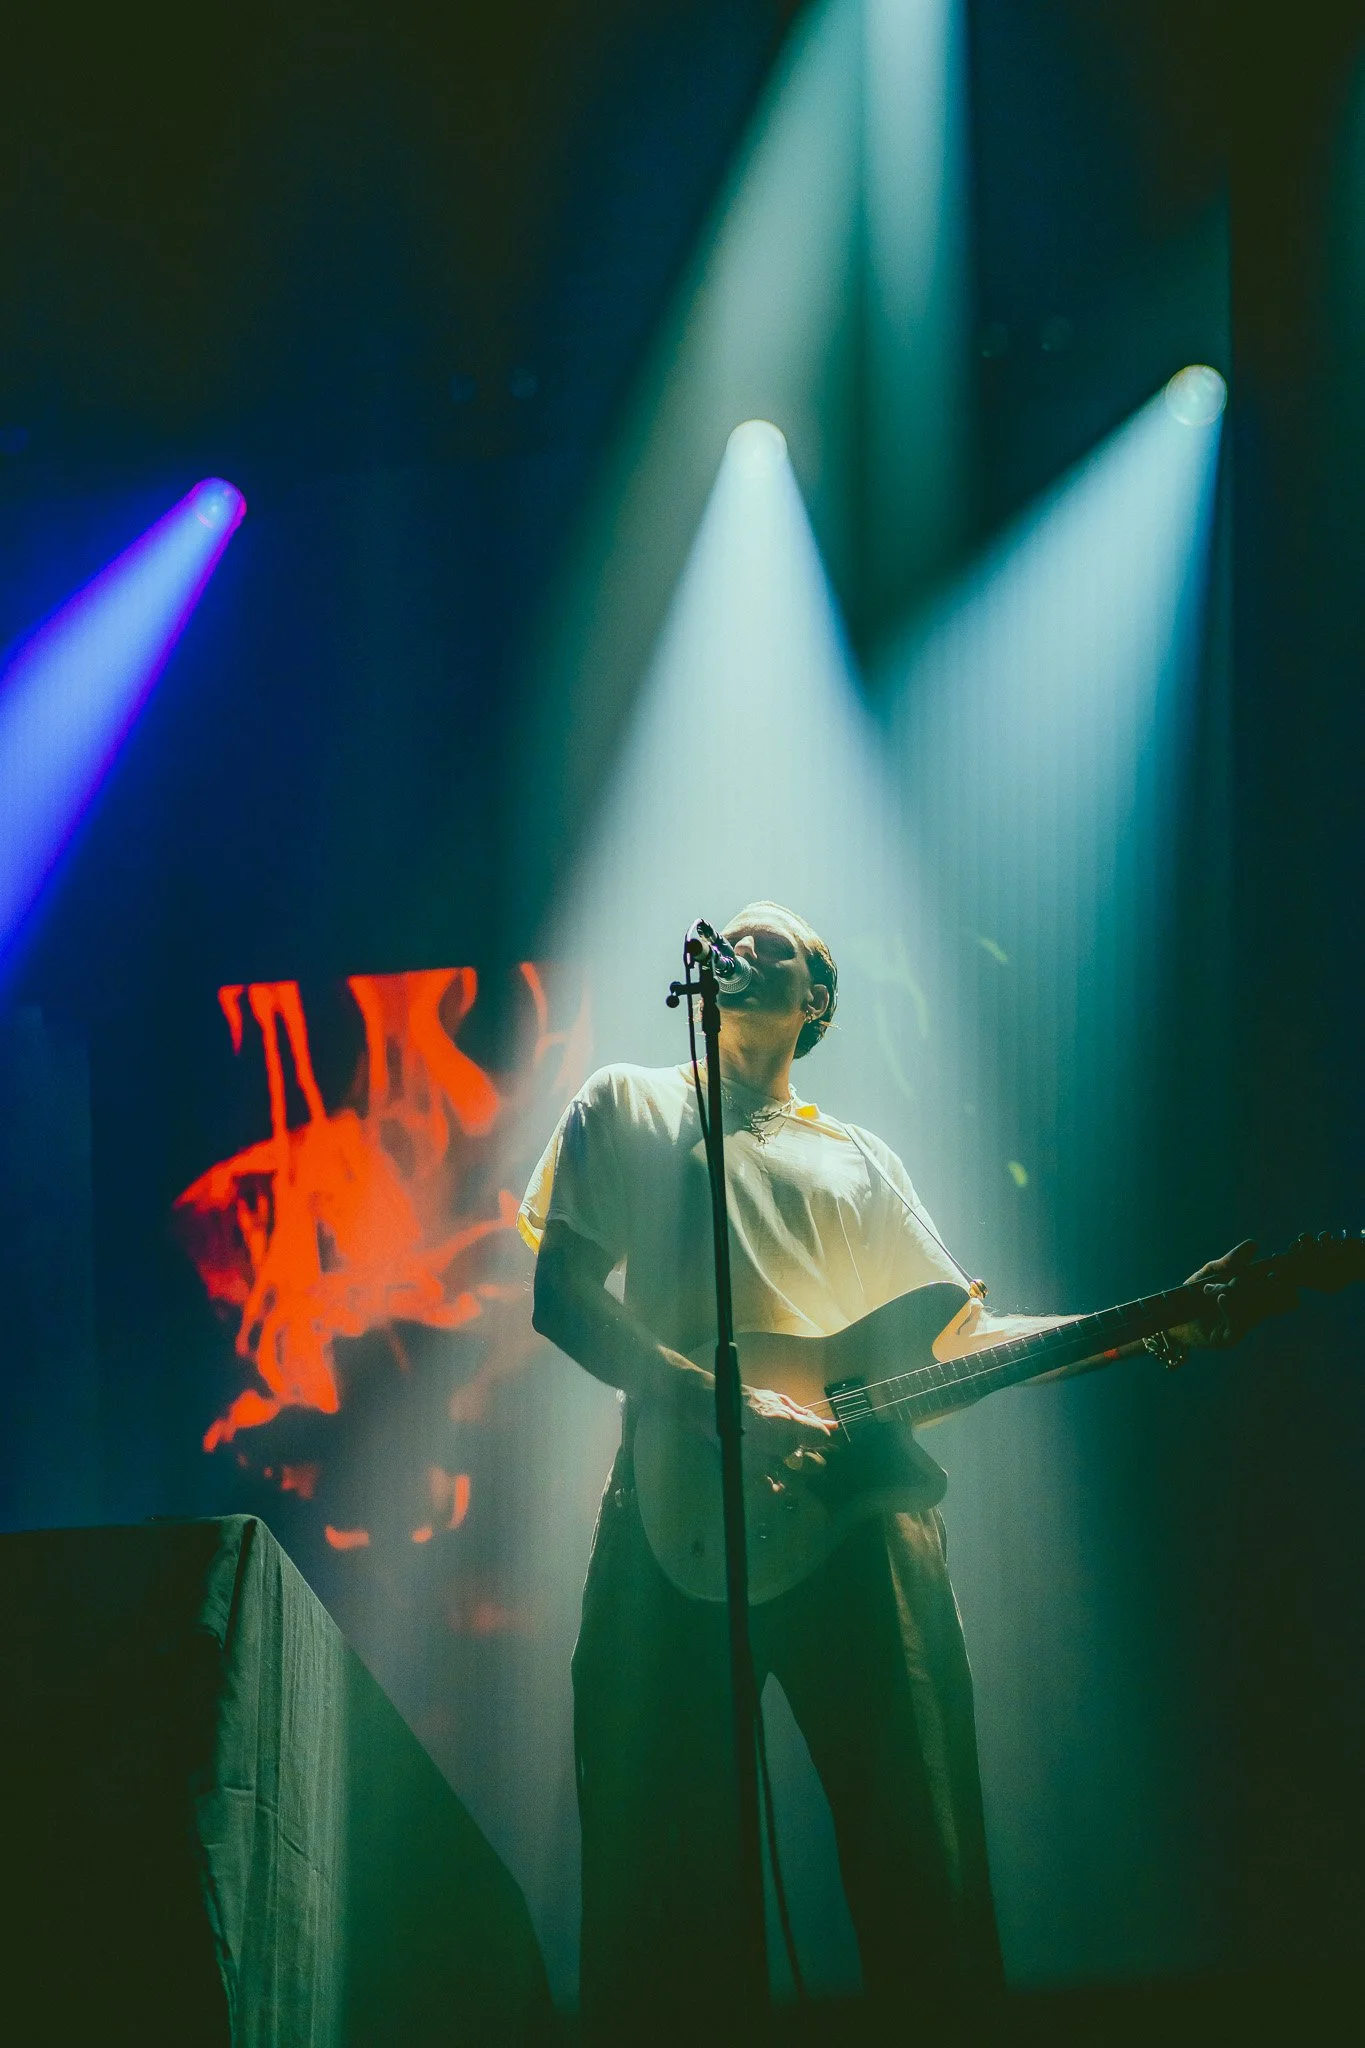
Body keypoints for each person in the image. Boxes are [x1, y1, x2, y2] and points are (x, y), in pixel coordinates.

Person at [518, 902, 1250, 2043]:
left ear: (816, 999)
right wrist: (716, 1404)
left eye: (776, 941)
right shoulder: (626, 1101)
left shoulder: (858, 1160)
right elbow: (561, 1298)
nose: (744, 944)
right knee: (653, 1877)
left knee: (925, 1871)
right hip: (672, 1510)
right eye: (733, 933)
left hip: (860, 1521)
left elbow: (961, 1343)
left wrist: (1147, 1322)